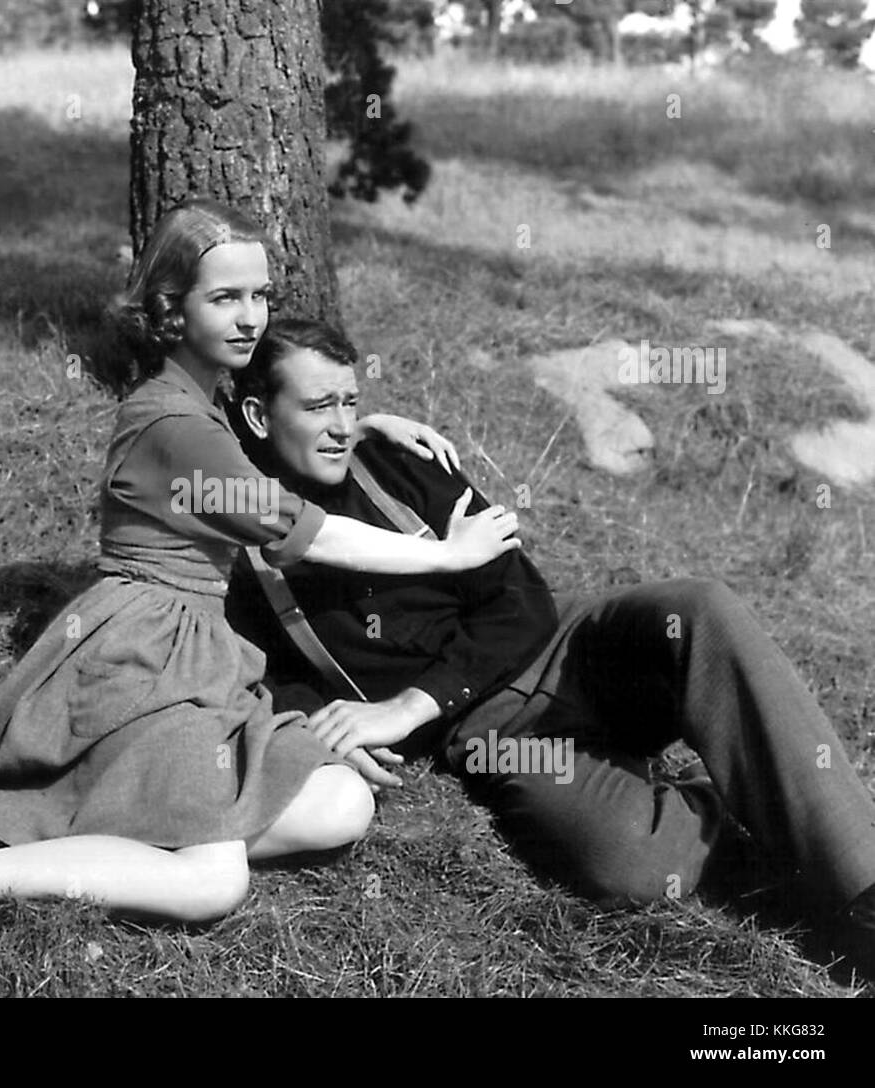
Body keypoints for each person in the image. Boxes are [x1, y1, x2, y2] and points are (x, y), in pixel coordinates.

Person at [0, 201, 522, 936]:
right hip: (145, 657)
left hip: (196, 651)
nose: (250, 318)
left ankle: (93, 828)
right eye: (225, 298)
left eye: (260, 295)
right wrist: (448, 554)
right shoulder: (174, 422)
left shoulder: (201, 399)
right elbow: (309, 531)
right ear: (172, 308)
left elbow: (253, 451)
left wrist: (355, 426)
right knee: (211, 883)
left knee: (342, 806)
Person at [222, 316, 875, 981]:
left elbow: (519, 598)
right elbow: (265, 680)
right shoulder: (238, 549)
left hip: (560, 642)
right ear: (258, 413)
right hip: (487, 728)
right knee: (632, 863)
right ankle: (761, 802)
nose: (341, 425)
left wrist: (410, 705)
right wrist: (333, 723)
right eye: (316, 406)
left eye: (350, 402)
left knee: (700, 612)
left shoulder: (399, 459)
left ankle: (865, 891)